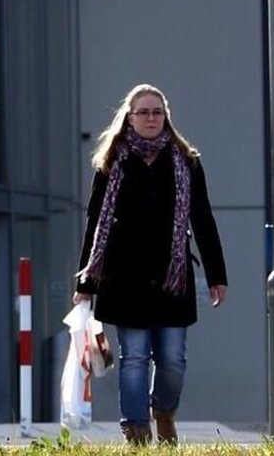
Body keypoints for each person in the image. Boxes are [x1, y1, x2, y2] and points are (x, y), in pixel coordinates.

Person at [73, 84, 228, 446]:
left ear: (166, 117)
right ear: (129, 117)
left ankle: (163, 410)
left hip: (172, 279)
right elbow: (96, 223)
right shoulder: (112, 162)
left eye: (157, 112)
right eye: (143, 112)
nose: (151, 118)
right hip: (124, 278)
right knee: (135, 357)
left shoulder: (185, 161)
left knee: (173, 359)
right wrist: (85, 282)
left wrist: (216, 275)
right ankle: (136, 429)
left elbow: (202, 219)